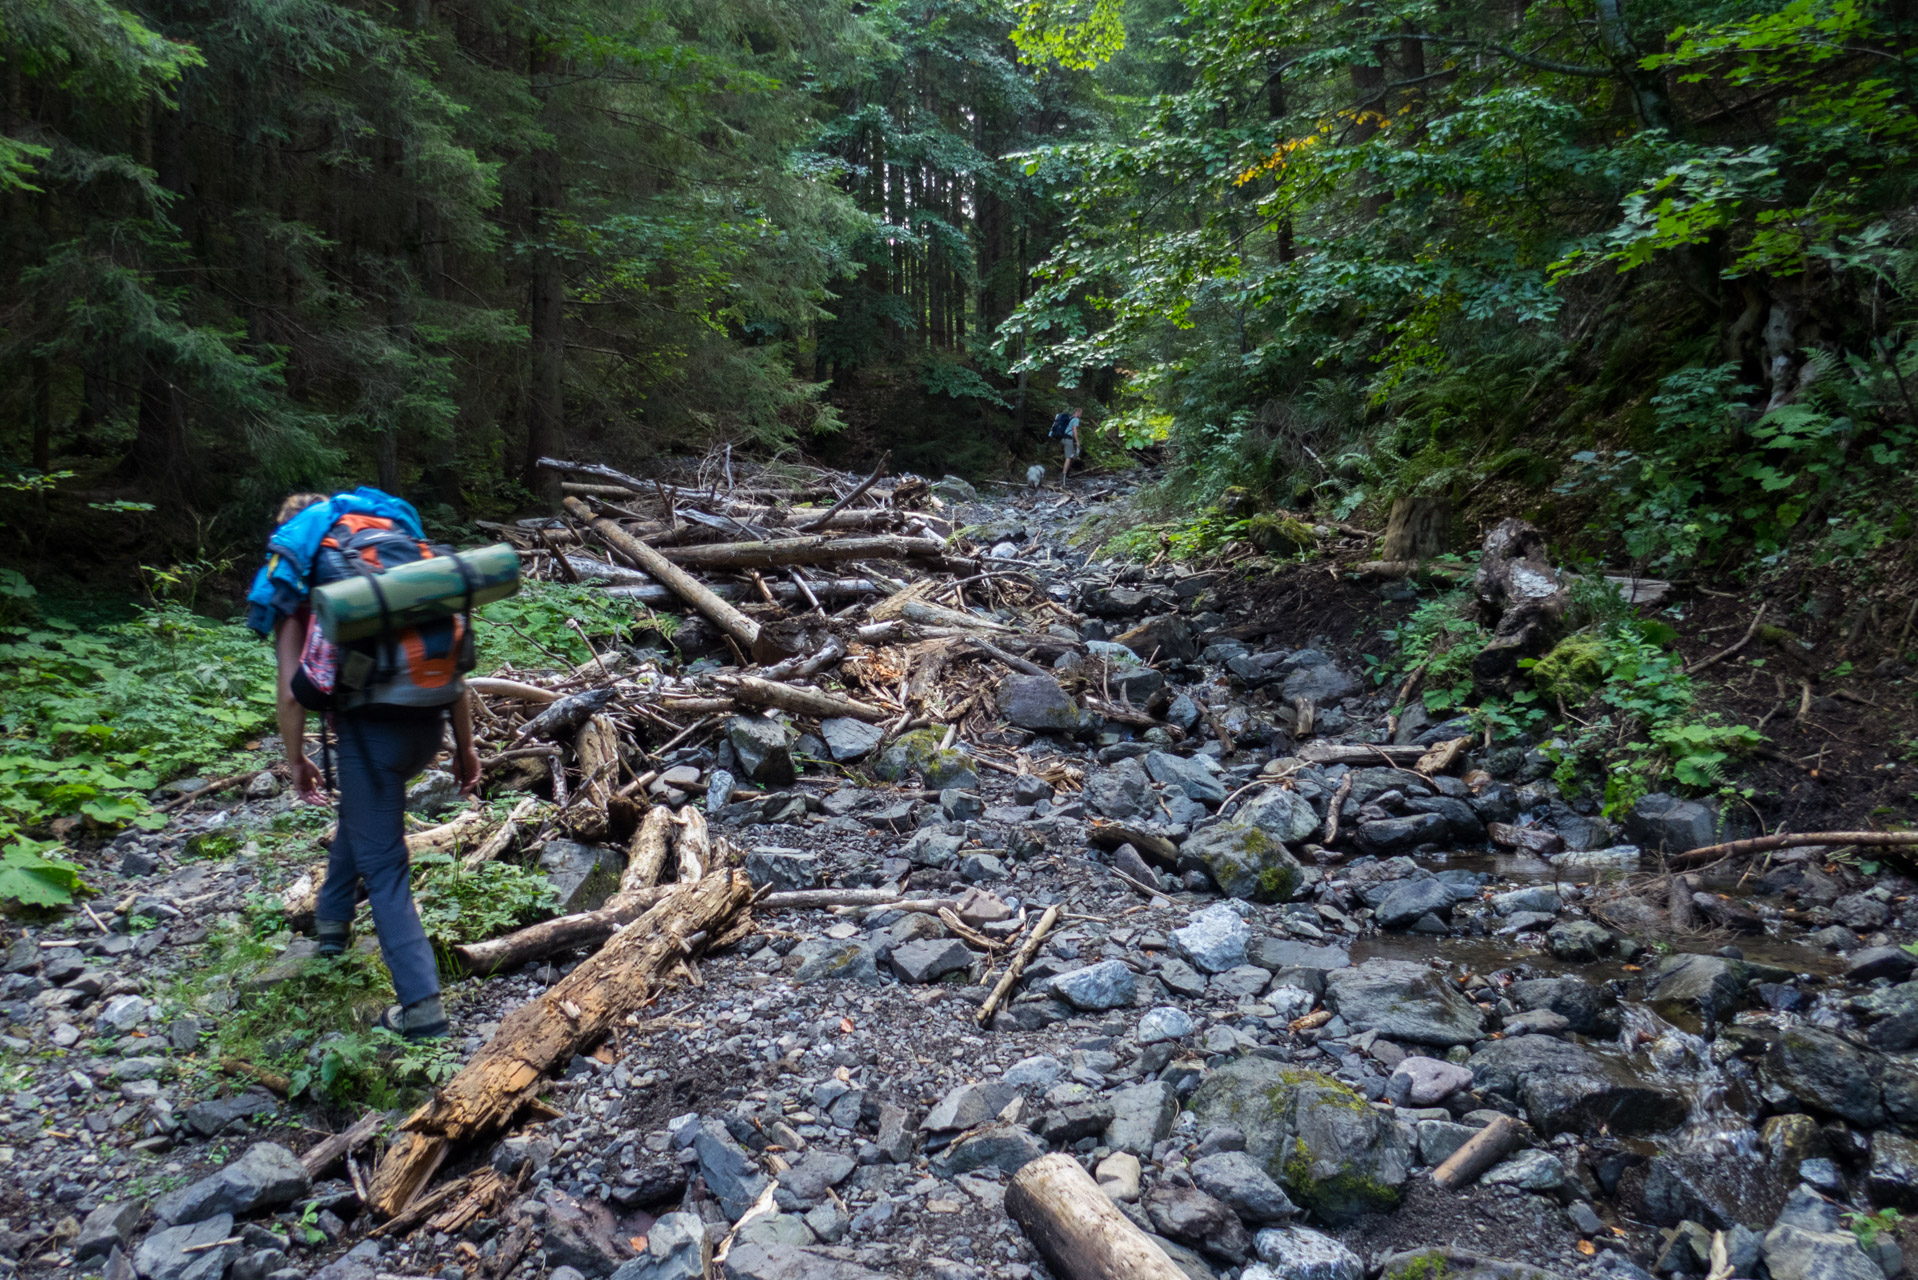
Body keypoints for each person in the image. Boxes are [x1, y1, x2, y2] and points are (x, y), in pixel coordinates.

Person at [247, 490, 481, 1041]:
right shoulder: (395, 564)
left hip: (371, 736)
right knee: (363, 814)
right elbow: (456, 673)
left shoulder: (309, 585)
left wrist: (296, 758)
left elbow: (290, 695)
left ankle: (422, 1008)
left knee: (386, 866)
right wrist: (466, 746)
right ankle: (331, 927)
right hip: (428, 726)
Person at [1060, 405, 1083, 481]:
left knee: (1072, 456)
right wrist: (1077, 441)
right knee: (1069, 457)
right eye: (1081, 413)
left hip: (1063, 438)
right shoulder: (1076, 419)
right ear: (1078, 412)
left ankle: (1067, 473)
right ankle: (1063, 476)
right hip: (1068, 439)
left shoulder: (1070, 418)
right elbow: (1074, 430)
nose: (1081, 415)